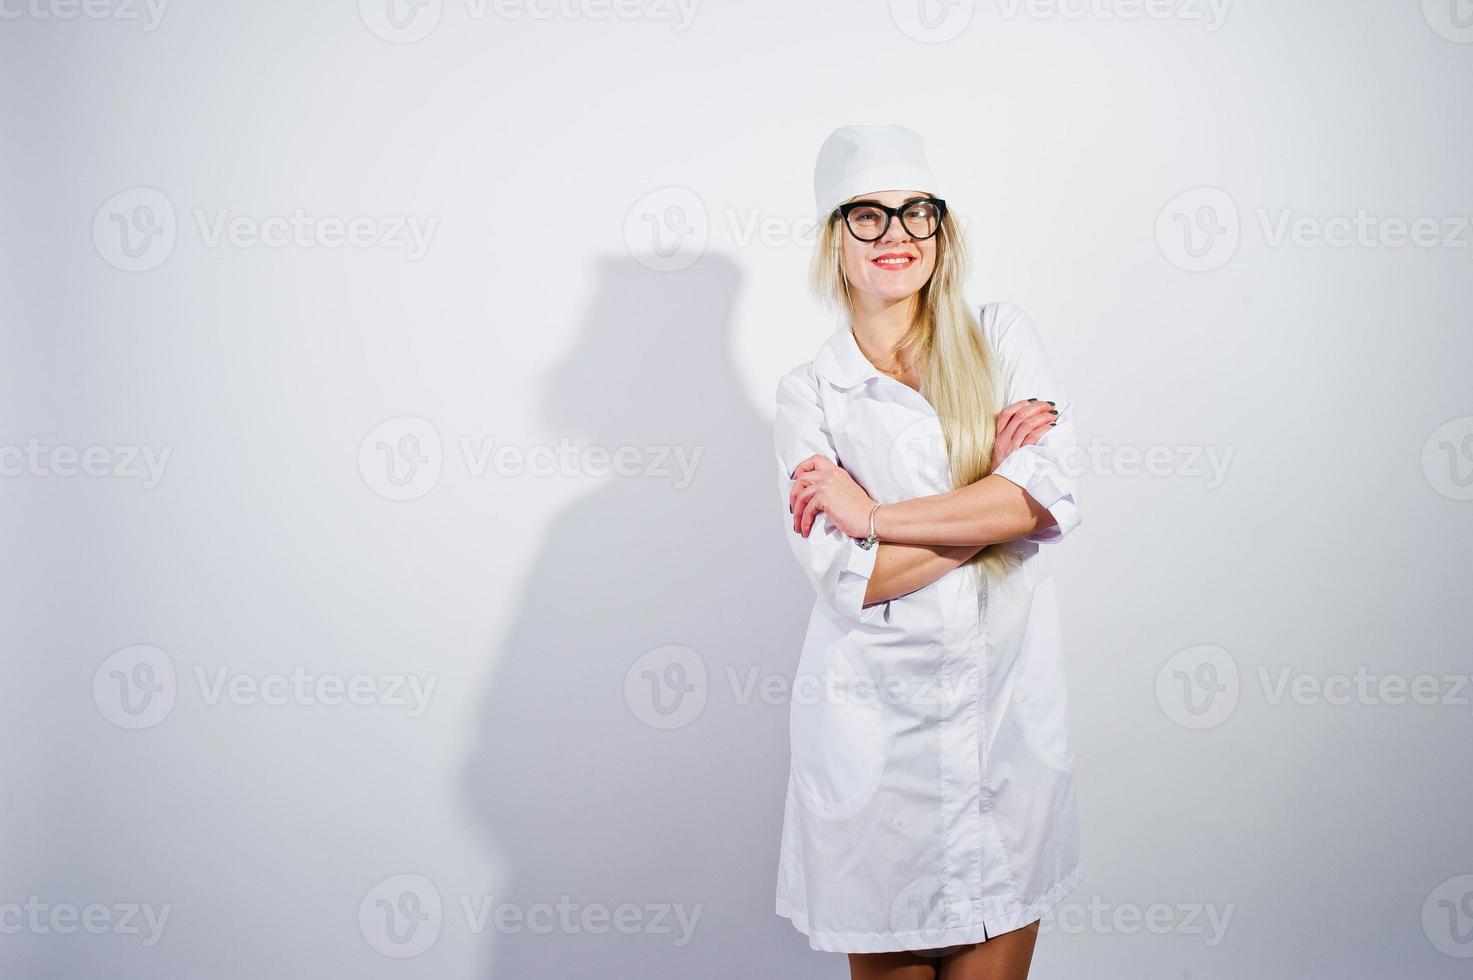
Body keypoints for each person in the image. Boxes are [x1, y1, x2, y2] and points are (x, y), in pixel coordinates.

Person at [772, 124, 1084, 980]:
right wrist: (992, 495)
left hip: (1001, 737)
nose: (895, 235)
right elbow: (851, 578)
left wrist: (874, 516)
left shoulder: (1000, 338)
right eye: (866, 216)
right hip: (879, 756)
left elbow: (1048, 492)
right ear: (833, 238)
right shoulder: (809, 395)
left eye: (916, 214)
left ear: (941, 231)